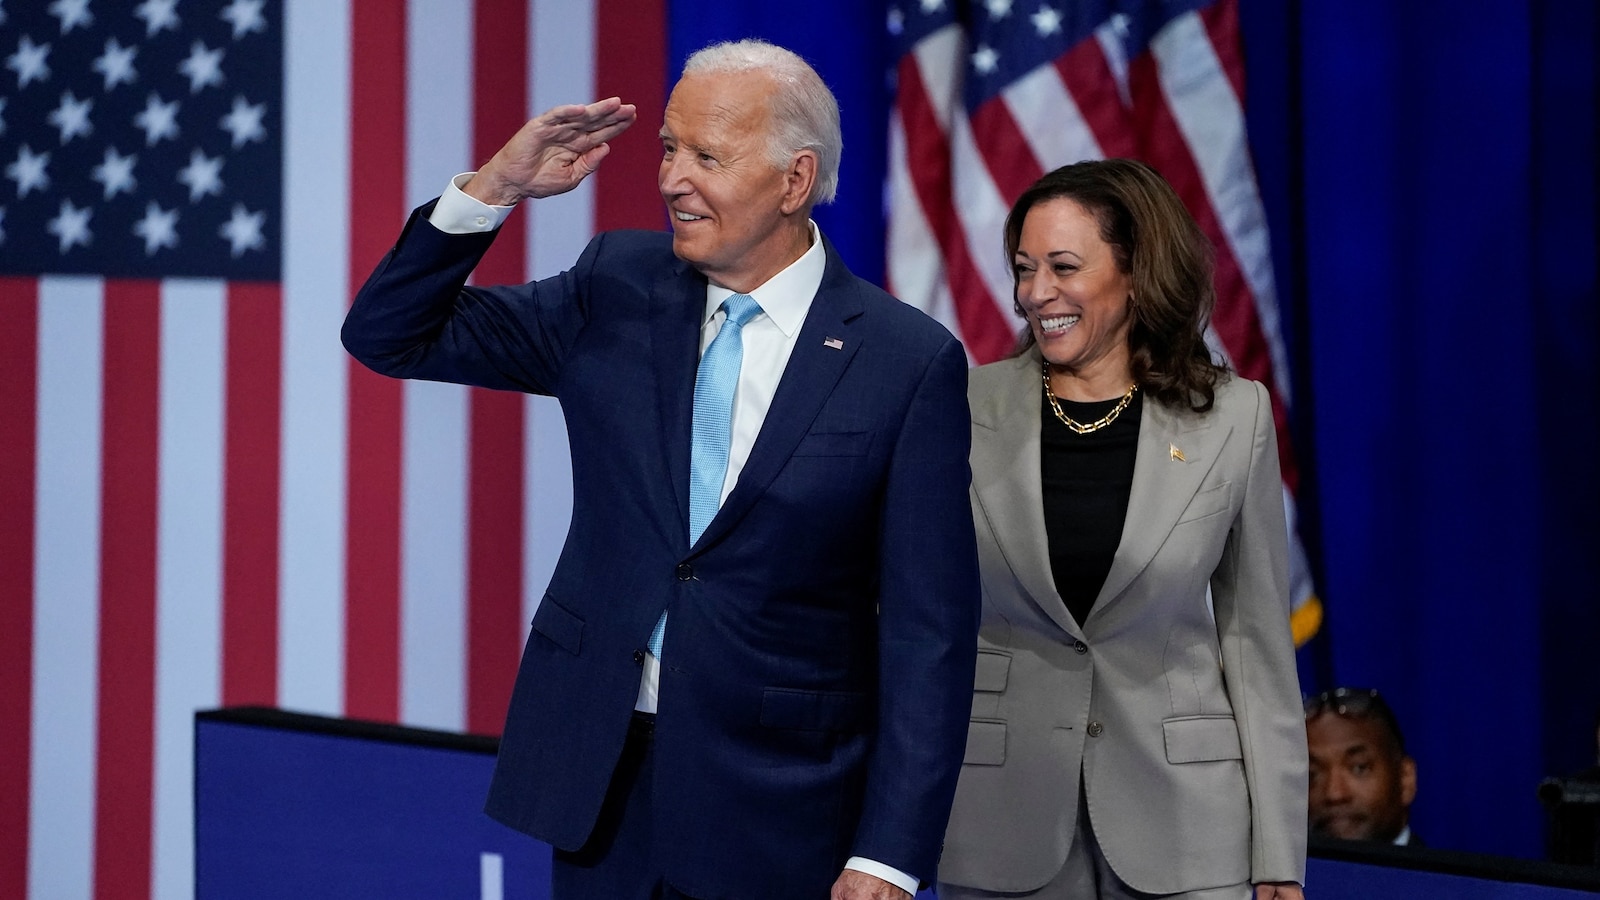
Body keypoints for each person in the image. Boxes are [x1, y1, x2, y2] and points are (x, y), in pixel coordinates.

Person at [341, 40, 979, 900]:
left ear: (794, 181)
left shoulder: (906, 361)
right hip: (603, 785)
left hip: (781, 803)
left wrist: (889, 853)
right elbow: (389, 333)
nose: (672, 179)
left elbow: (927, 635)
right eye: (669, 149)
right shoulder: (616, 285)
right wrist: (496, 187)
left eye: (706, 157)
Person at [936, 160, 1307, 900]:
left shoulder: (1235, 419)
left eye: (1063, 267)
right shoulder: (959, 406)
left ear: (1136, 272)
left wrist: (1278, 860)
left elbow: (1257, 647)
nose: (1036, 294)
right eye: (1024, 269)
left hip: (1189, 834)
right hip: (1001, 826)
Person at [1304, 687, 1420, 846]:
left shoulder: (1442, 871)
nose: (1335, 794)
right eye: (1311, 775)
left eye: (1359, 768)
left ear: (1405, 778)